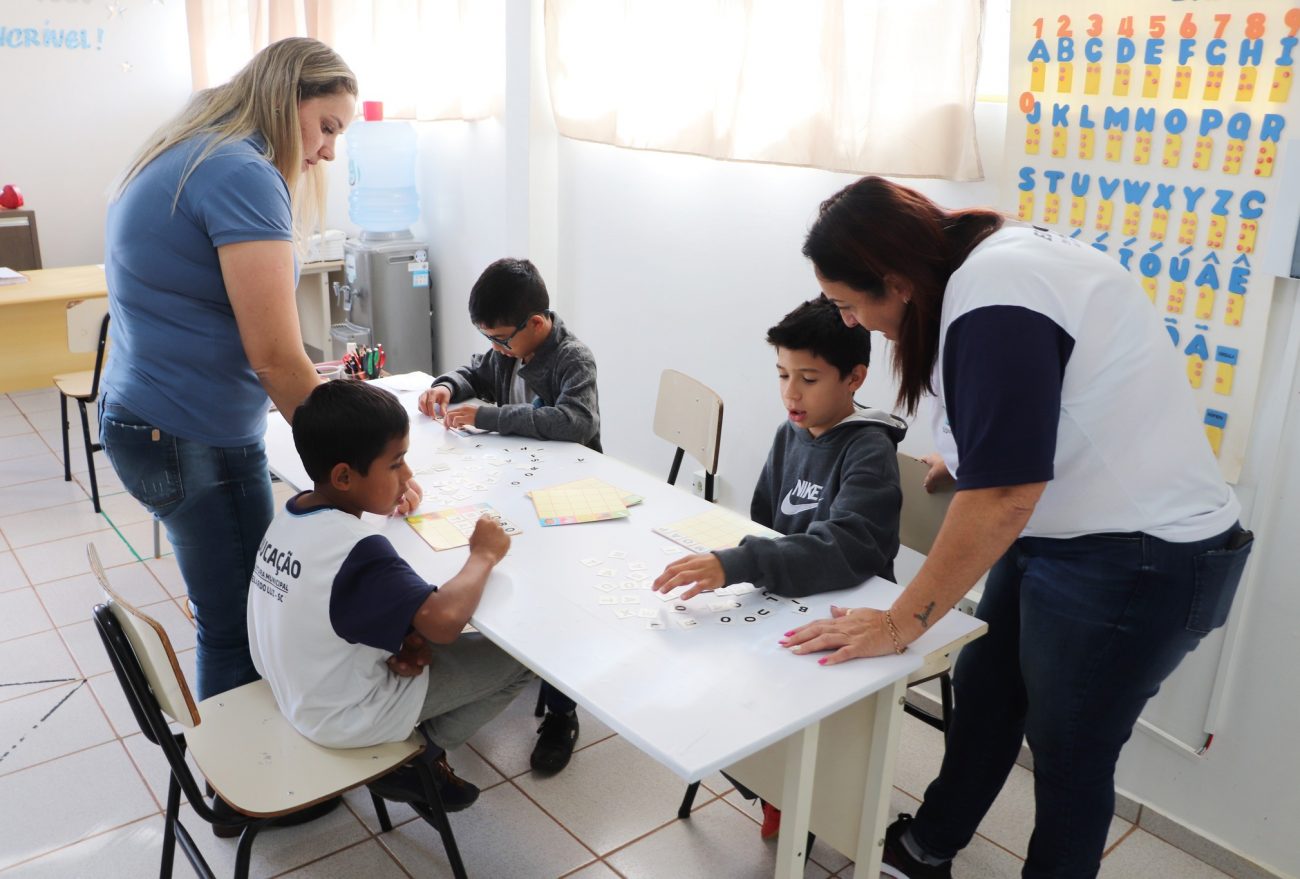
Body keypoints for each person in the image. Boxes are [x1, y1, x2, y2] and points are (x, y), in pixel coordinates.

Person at [781, 177, 1253, 879]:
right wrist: (969, 451)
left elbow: (1004, 496)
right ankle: (926, 847)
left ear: (896, 280)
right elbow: (1037, 405)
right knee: (987, 693)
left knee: (1069, 754)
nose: (851, 322)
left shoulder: (997, 290)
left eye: (851, 305)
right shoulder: (976, 268)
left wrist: (897, 622)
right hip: (1064, 534)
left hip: (1143, 558)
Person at [99, 37, 421, 709]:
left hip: (148, 417)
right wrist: (367, 460)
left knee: (229, 605)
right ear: (285, 100)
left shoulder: (196, 145)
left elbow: (253, 330)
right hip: (192, 434)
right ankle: (251, 788)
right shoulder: (241, 172)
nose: (330, 150)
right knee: (238, 621)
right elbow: (273, 356)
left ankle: (241, 767)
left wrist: (329, 396)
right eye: (327, 126)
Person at [653, 295, 906, 840]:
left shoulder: (868, 450)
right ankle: (772, 783)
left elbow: (848, 548)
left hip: (849, 607)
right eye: (783, 374)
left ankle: (796, 794)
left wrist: (742, 562)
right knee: (709, 685)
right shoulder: (789, 431)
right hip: (786, 594)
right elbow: (767, 523)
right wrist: (747, 566)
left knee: (766, 694)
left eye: (809, 378)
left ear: (855, 378)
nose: (791, 392)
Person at [248, 380, 533, 812]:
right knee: (522, 658)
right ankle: (419, 757)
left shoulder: (292, 514)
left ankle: (412, 746)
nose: (409, 475)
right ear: (345, 476)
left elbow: (333, 609)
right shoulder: (355, 547)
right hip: (343, 716)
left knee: (424, 640)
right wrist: (483, 554)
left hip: (295, 689)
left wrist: (403, 639)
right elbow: (444, 621)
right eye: (396, 464)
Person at [417, 256, 599, 773]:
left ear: (536, 323)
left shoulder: (572, 358)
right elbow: (475, 369)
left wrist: (490, 415)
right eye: (490, 339)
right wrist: (448, 385)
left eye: (501, 339)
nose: (496, 349)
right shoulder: (504, 350)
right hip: (516, 486)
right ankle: (513, 662)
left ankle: (562, 713)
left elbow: (576, 423)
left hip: (569, 497)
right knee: (502, 576)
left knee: (557, 605)